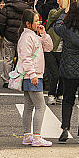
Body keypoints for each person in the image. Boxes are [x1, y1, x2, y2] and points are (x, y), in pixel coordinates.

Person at [16, 8, 54, 146]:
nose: (38, 23)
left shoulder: (33, 36)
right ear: (28, 23)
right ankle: (36, 137)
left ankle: (28, 135)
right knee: (40, 106)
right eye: (36, 21)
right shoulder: (27, 37)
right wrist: (32, 75)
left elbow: (49, 47)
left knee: (29, 106)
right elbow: (26, 58)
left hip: (31, 75)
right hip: (32, 75)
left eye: (38, 20)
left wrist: (43, 34)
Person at [0, 0, 28, 87]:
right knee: (22, 58)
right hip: (22, 36)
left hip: (9, 35)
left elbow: (1, 23)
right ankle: (20, 78)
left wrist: (3, 35)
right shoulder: (27, 8)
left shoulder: (6, 8)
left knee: (8, 59)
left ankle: (6, 79)